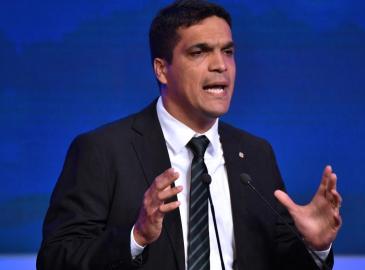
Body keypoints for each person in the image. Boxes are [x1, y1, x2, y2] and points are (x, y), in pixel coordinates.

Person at [37, 0, 342, 269]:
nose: (220, 65)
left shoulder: (256, 154)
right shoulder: (103, 151)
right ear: (161, 69)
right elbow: (56, 259)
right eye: (200, 52)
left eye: (228, 51)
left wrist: (315, 247)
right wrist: (136, 237)